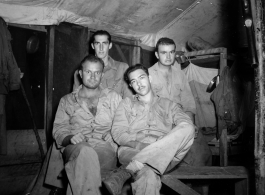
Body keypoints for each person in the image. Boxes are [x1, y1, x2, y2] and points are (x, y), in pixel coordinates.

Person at [103, 64, 195, 195]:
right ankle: (136, 164)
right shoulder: (126, 104)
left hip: (167, 153)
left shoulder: (169, 104)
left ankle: (128, 170)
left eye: (141, 78)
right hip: (132, 151)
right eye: (134, 81)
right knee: (148, 174)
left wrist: (162, 142)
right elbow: (118, 133)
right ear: (130, 86)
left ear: (150, 78)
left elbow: (185, 124)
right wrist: (140, 143)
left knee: (188, 127)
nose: (139, 84)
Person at [52, 54, 122, 195]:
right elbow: (58, 130)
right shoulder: (67, 100)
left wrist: (114, 134)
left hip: (105, 147)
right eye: (88, 71)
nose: (92, 76)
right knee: (84, 152)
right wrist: (70, 138)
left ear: (102, 75)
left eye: (97, 72)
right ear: (80, 73)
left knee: (83, 169)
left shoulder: (114, 98)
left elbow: (125, 125)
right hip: (75, 147)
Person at [148, 37, 212, 167]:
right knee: (176, 160)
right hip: (160, 124)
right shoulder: (148, 75)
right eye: (163, 52)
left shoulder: (180, 74)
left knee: (203, 154)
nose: (168, 56)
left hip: (181, 121)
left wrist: (191, 124)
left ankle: (199, 185)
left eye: (171, 52)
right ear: (156, 54)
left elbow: (188, 102)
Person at [73, 30, 132, 98]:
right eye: (97, 43)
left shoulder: (122, 68)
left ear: (110, 45)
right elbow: (74, 100)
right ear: (92, 46)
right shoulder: (80, 72)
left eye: (104, 43)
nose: (101, 48)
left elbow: (129, 99)